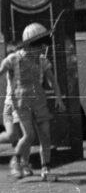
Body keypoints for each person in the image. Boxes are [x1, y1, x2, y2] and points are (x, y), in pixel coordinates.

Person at [0, 23, 65, 181]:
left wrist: (59, 99)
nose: (42, 48)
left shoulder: (42, 60)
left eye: (43, 44)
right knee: (28, 135)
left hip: (39, 102)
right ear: (29, 44)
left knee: (45, 136)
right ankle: (17, 160)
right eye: (39, 45)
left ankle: (45, 168)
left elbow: (52, 81)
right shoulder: (14, 59)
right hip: (21, 103)